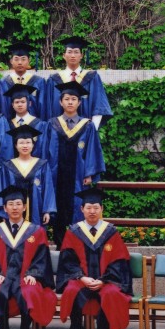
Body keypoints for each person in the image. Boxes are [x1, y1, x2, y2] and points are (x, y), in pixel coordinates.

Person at [57, 188, 132, 329]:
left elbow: (119, 261)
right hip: (81, 279)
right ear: (82, 209)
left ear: (101, 209)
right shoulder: (73, 232)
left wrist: (104, 280)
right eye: (89, 208)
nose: (92, 211)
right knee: (71, 290)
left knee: (111, 293)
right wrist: (81, 277)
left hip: (107, 280)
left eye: (96, 208)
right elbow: (68, 261)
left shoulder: (111, 232)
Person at [0, 186, 56, 329]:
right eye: (10, 204)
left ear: (24, 207)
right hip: (3, 276)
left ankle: (25, 328)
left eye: (18, 204)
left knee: (30, 291)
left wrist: (34, 274)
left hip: (26, 276)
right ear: (4, 208)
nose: (14, 208)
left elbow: (41, 257)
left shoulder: (37, 232)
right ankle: (3, 328)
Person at [43, 81, 106, 246]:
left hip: (78, 176)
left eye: (73, 99)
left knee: (77, 208)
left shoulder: (87, 126)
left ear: (79, 102)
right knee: (57, 208)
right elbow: (45, 151)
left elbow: (92, 150)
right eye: (66, 99)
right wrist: (45, 172)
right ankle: (59, 244)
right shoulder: (52, 124)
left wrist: (90, 173)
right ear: (60, 102)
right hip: (56, 175)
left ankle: (76, 245)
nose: (70, 102)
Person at [0, 125, 57, 229]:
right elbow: (3, 189)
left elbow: (48, 189)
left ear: (33, 145)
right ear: (16, 145)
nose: (25, 146)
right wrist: (4, 213)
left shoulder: (42, 165)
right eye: (21, 143)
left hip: (36, 209)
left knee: (35, 234)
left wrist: (47, 211)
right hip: (13, 210)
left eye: (28, 142)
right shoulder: (7, 166)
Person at [43, 36, 112, 127]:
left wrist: (92, 129)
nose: (73, 55)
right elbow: (48, 108)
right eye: (69, 52)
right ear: (64, 55)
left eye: (76, 52)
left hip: (85, 129)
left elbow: (99, 105)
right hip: (59, 130)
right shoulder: (54, 80)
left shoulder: (92, 78)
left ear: (81, 55)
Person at [1, 41, 49, 119]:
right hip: (11, 124)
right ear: (11, 61)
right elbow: (3, 108)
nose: (20, 62)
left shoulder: (39, 82)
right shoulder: (4, 83)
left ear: (29, 61)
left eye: (23, 59)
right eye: (16, 59)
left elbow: (42, 108)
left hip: (34, 124)